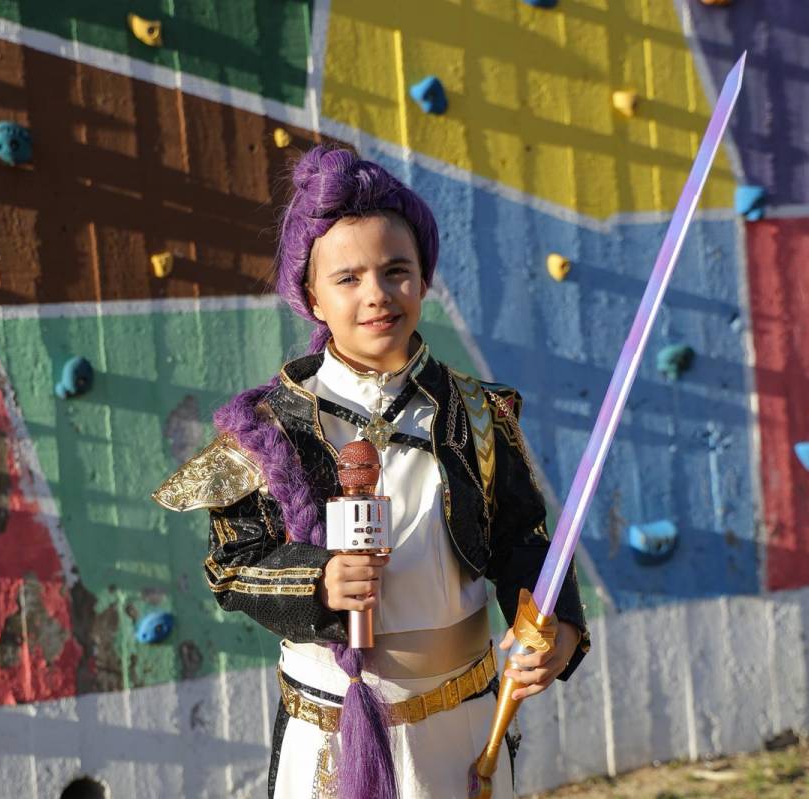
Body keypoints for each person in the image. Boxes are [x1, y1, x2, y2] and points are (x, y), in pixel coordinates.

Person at [153, 146, 590, 799]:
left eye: (396, 271)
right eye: (348, 278)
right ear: (311, 296)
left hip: (461, 727)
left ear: (424, 277)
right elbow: (233, 564)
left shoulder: (478, 412)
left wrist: (557, 625)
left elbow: (522, 541)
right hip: (328, 731)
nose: (377, 295)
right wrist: (320, 578)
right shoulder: (267, 430)